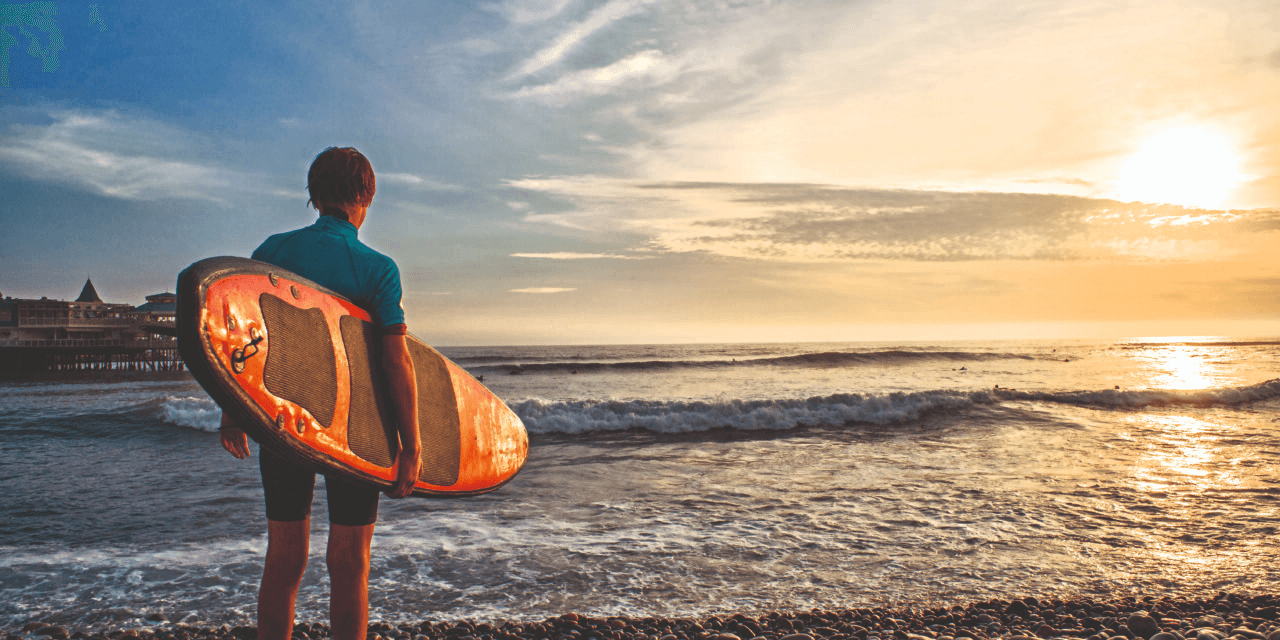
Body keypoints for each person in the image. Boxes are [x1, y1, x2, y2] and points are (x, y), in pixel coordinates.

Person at [218, 147, 422, 640]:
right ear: (365, 198)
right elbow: (396, 360)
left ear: (313, 196)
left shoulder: (271, 251)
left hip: (283, 422)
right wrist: (412, 446)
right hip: (356, 433)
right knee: (350, 561)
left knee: (285, 556)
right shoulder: (377, 268)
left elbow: (244, 339)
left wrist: (233, 411)